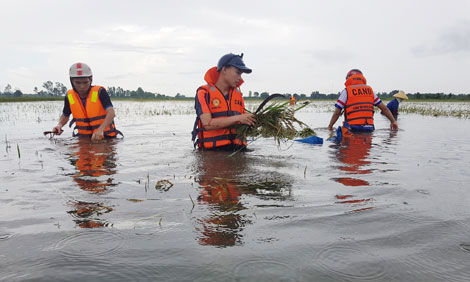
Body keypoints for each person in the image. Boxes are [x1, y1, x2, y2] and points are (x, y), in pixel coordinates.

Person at [192, 53, 256, 151]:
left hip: (239, 151)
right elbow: (208, 124)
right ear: (224, 70)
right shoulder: (203, 93)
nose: (240, 78)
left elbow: (243, 116)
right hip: (213, 154)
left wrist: (252, 119)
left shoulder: (238, 94)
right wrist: (239, 118)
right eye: (238, 73)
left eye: (241, 74)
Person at [51, 62, 121, 140]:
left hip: (106, 138)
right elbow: (65, 115)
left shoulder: (100, 92)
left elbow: (111, 113)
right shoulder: (69, 96)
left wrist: (100, 130)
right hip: (84, 138)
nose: (82, 86)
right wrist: (59, 125)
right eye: (78, 83)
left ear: (90, 80)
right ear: (72, 82)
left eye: (85, 82)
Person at [327, 69, 398, 132]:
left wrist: (330, 126)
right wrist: (393, 121)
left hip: (352, 128)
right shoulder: (370, 91)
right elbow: (384, 108)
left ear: (348, 78)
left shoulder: (346, 91)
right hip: (369, 128)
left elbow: (337, 112)